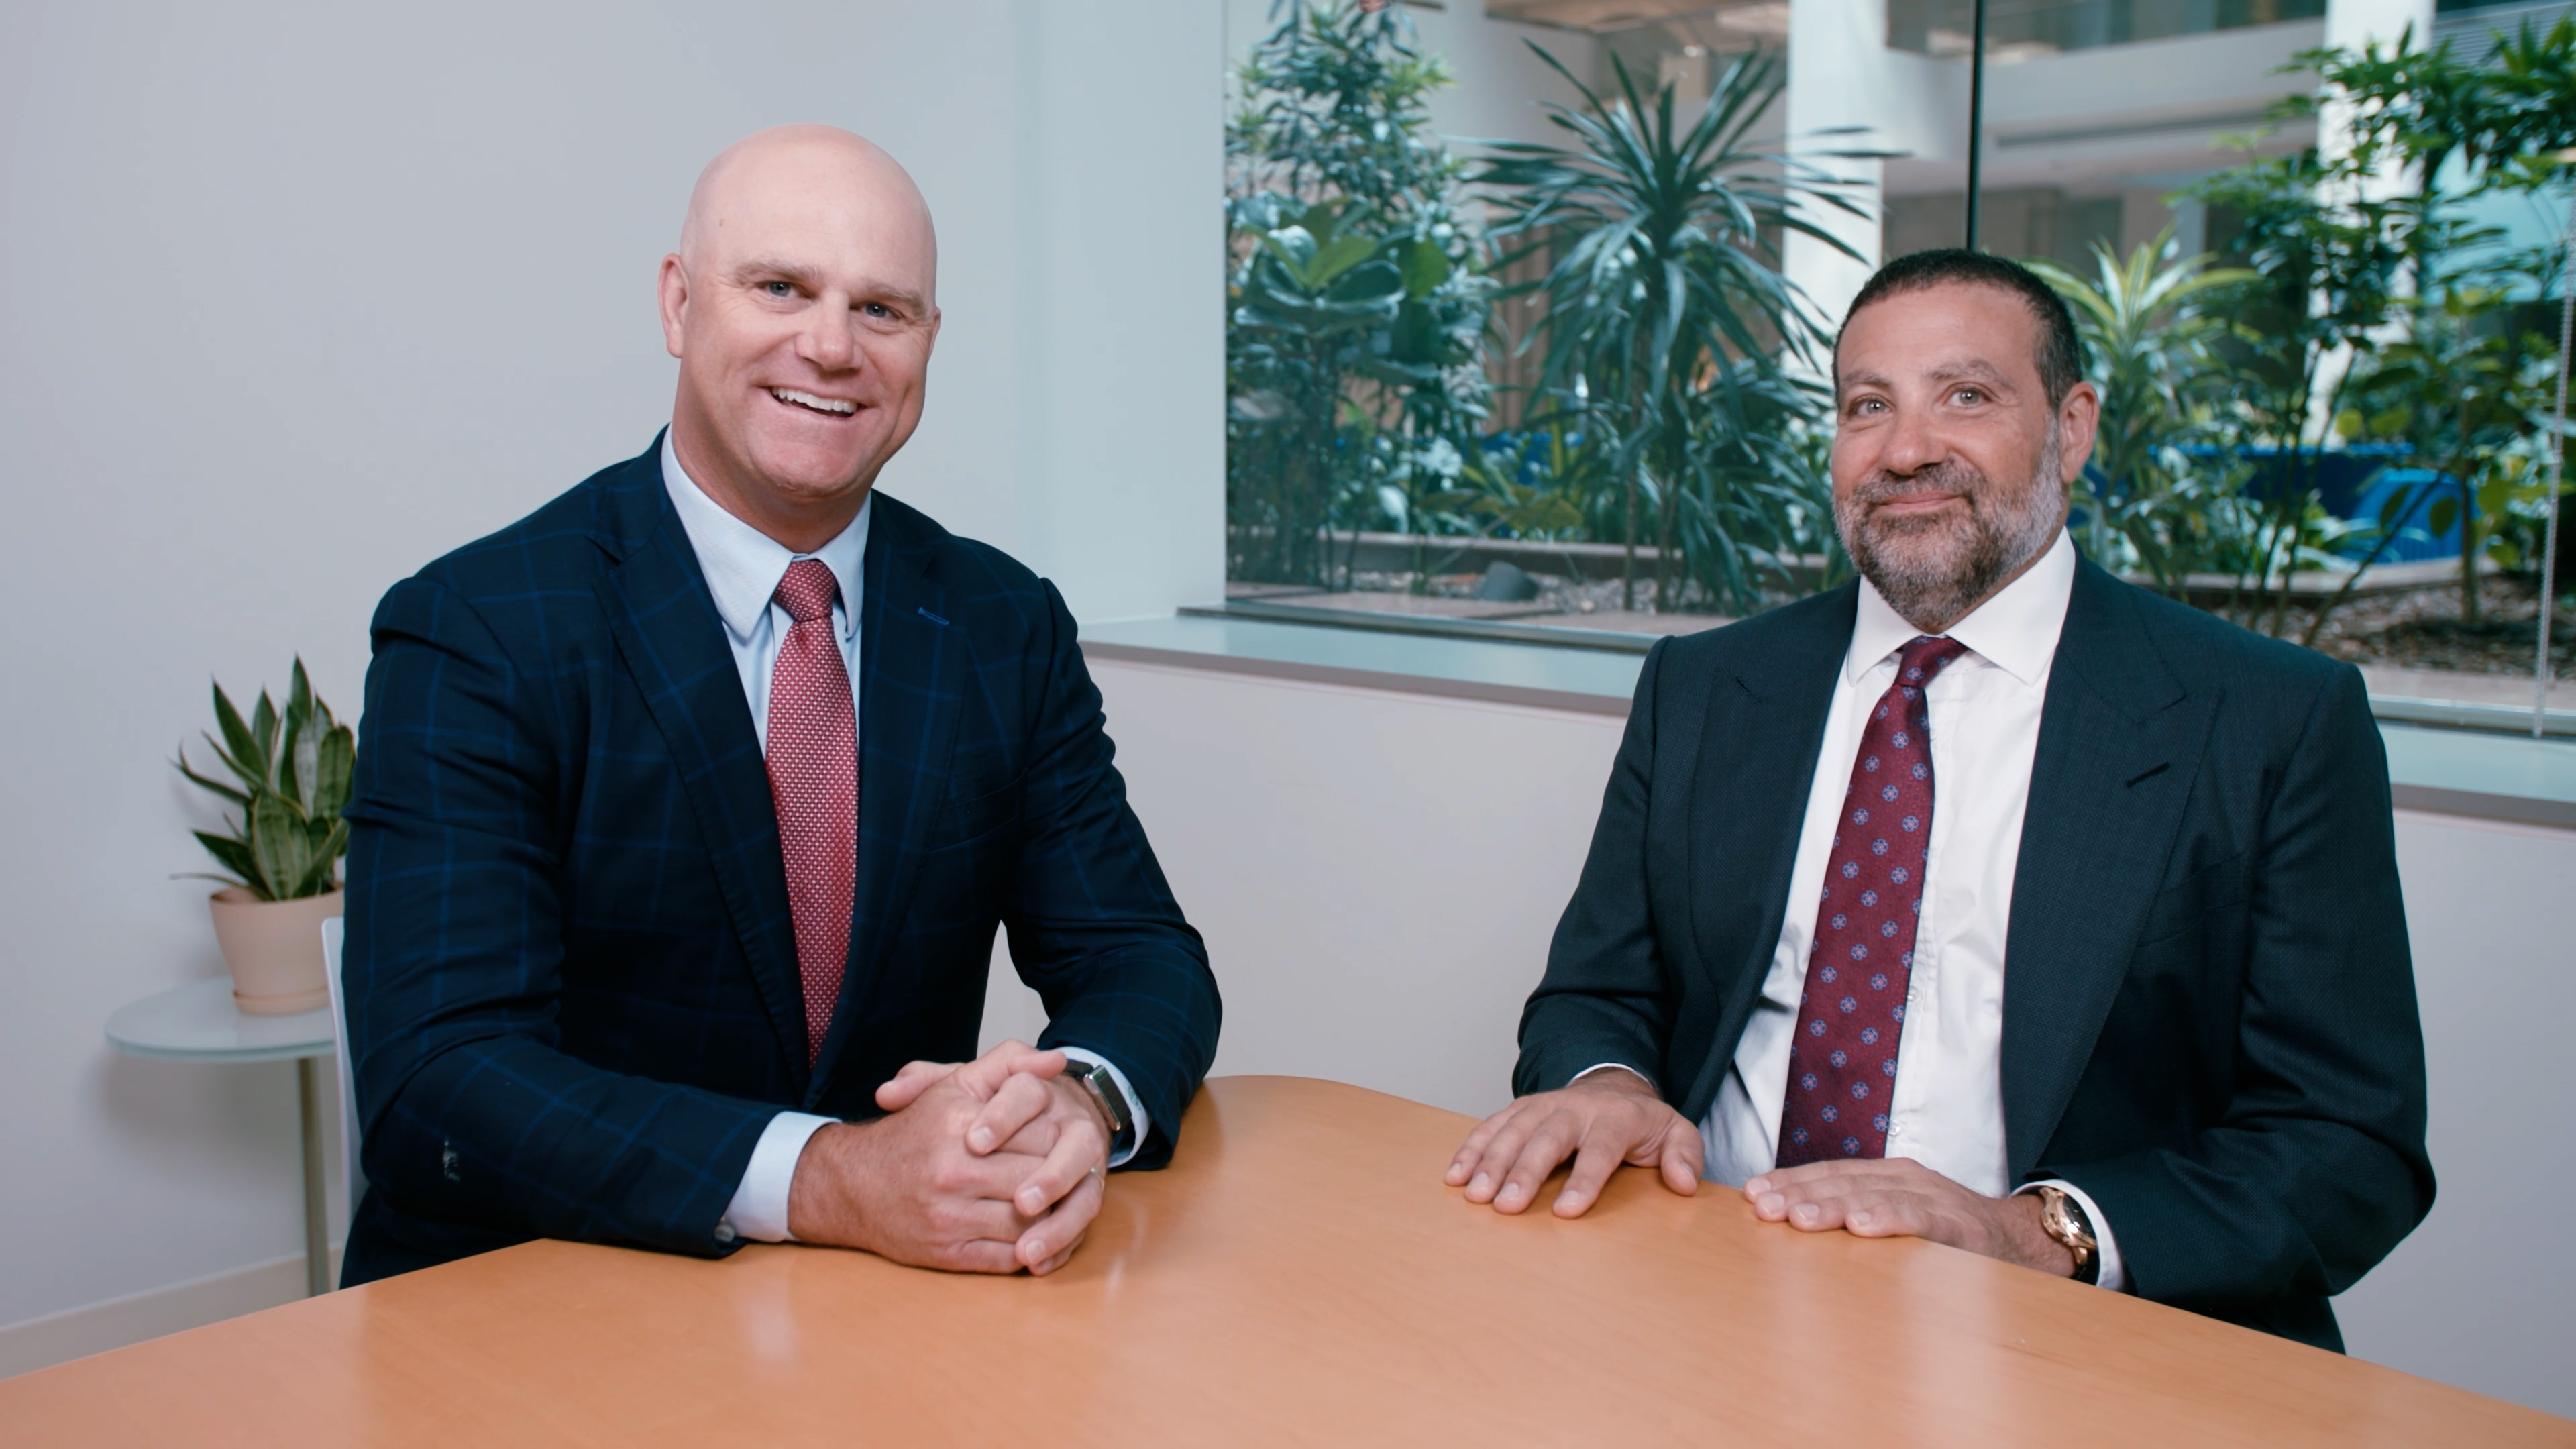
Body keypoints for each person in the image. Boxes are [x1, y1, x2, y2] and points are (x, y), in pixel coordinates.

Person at [1445, 249, 2431, 1349]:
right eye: (1869, 406)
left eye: (1966, 396)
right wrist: (1612, 1083)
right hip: (1706, 1292)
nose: (1906, 450)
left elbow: (2350, 1143)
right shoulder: (1707, 685)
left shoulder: (2269, 720)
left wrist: (2040, 1234)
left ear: (2071, 426)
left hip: (2062, 1343)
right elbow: (1597, 988)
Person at [340, 126, 1219, 1285]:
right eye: (781, 288)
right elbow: (437, 1078)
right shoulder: (482, 626)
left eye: (883, 310)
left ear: (928, 344)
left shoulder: (1005, 624)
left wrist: (1085, 1110)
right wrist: (831, 1177)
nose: (832, 345)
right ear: (678, 302)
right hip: (537, 1299)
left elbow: (1140, 957)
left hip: (881, 1319)